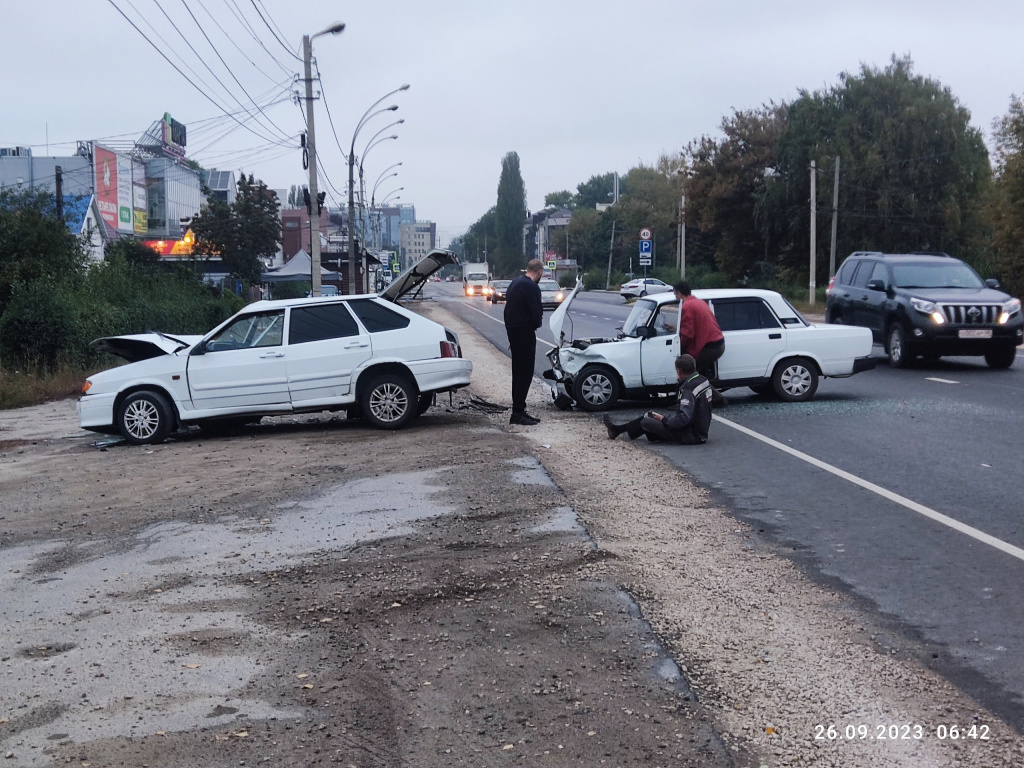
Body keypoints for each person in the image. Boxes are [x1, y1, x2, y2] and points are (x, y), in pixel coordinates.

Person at [603, 355, 712, 444]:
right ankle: (617, 430)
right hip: (701, 431)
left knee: (647, 420)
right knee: (651, 415)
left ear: (679, 371)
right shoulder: (703, 380)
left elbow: (683, 420)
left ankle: (618, 430)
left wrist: (664, 419)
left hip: (690, 435)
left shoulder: (688, 389)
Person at [673, 280, 727, 406]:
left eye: (675, 293)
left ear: (679, 293)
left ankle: (717, 399)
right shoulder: (698, 302)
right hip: (716, 343)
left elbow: (688, 334)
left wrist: (680, 348)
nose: (675, 296)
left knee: (688, 372)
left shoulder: (687, 306)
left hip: (710, 346)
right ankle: (705, 398)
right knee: (698, 373)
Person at [504, 258, 544, 425]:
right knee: (525, 373)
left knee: (517, 372)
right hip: (525, 333)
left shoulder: (514, 283)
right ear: (539, 272)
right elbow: (536, 315)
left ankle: (519, 409)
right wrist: (536, 323)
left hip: (513, 332)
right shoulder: (532, 287)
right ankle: (518, 413)